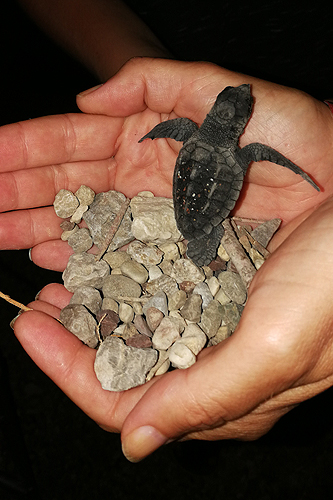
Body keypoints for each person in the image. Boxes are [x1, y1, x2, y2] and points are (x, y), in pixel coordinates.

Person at [1, 56, 333, 462]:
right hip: (205, 209)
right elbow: (263, 152)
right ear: (235, 122)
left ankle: (201, 255)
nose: (243, 94)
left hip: (187, 204)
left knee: (199, 239)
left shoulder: (191, 134)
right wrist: (316, 169)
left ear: (213, 115)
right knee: (203, 238)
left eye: (239, 101)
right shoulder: (243, 153)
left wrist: (324, 168)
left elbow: (171, 129)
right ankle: (203, 252)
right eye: (236, 100)